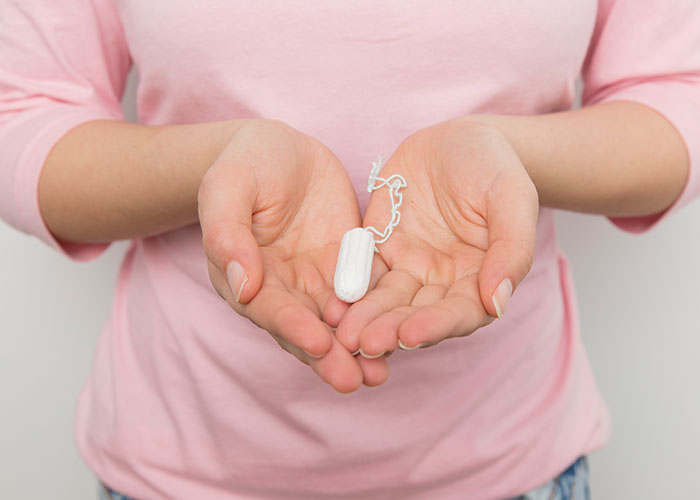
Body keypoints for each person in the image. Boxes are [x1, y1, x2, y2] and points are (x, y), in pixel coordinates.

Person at [1, 1, 699, 499]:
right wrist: (214, 163)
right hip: (181, 466)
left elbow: (676, 95)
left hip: (509, 464)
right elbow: (24, 113)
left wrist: (513, 151)